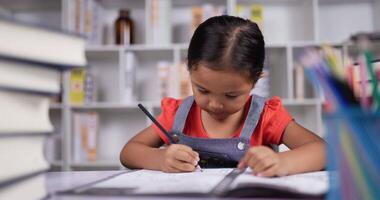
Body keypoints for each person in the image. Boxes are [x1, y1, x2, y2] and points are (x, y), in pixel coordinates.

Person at [120, 15, 325, 177]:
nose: (215, 104)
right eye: (203, 90)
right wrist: (160, 158)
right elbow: (128, 152)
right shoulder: (178, 114)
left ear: (255, 80)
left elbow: (323, 151)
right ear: (189, 70)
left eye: (231, 95)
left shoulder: (265, 116)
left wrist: (283, 163)